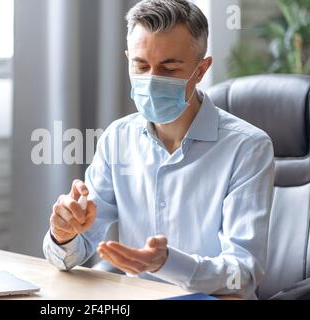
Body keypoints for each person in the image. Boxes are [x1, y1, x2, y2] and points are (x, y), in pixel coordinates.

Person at [43, 0, 275, 299]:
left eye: (169, 67)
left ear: (201, 69)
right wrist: (64, 235)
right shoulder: (118, 138)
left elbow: (242, 274)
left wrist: (168, 263)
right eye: (140, 65)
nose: (151, 81)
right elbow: (75, 252)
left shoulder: (248, 147)